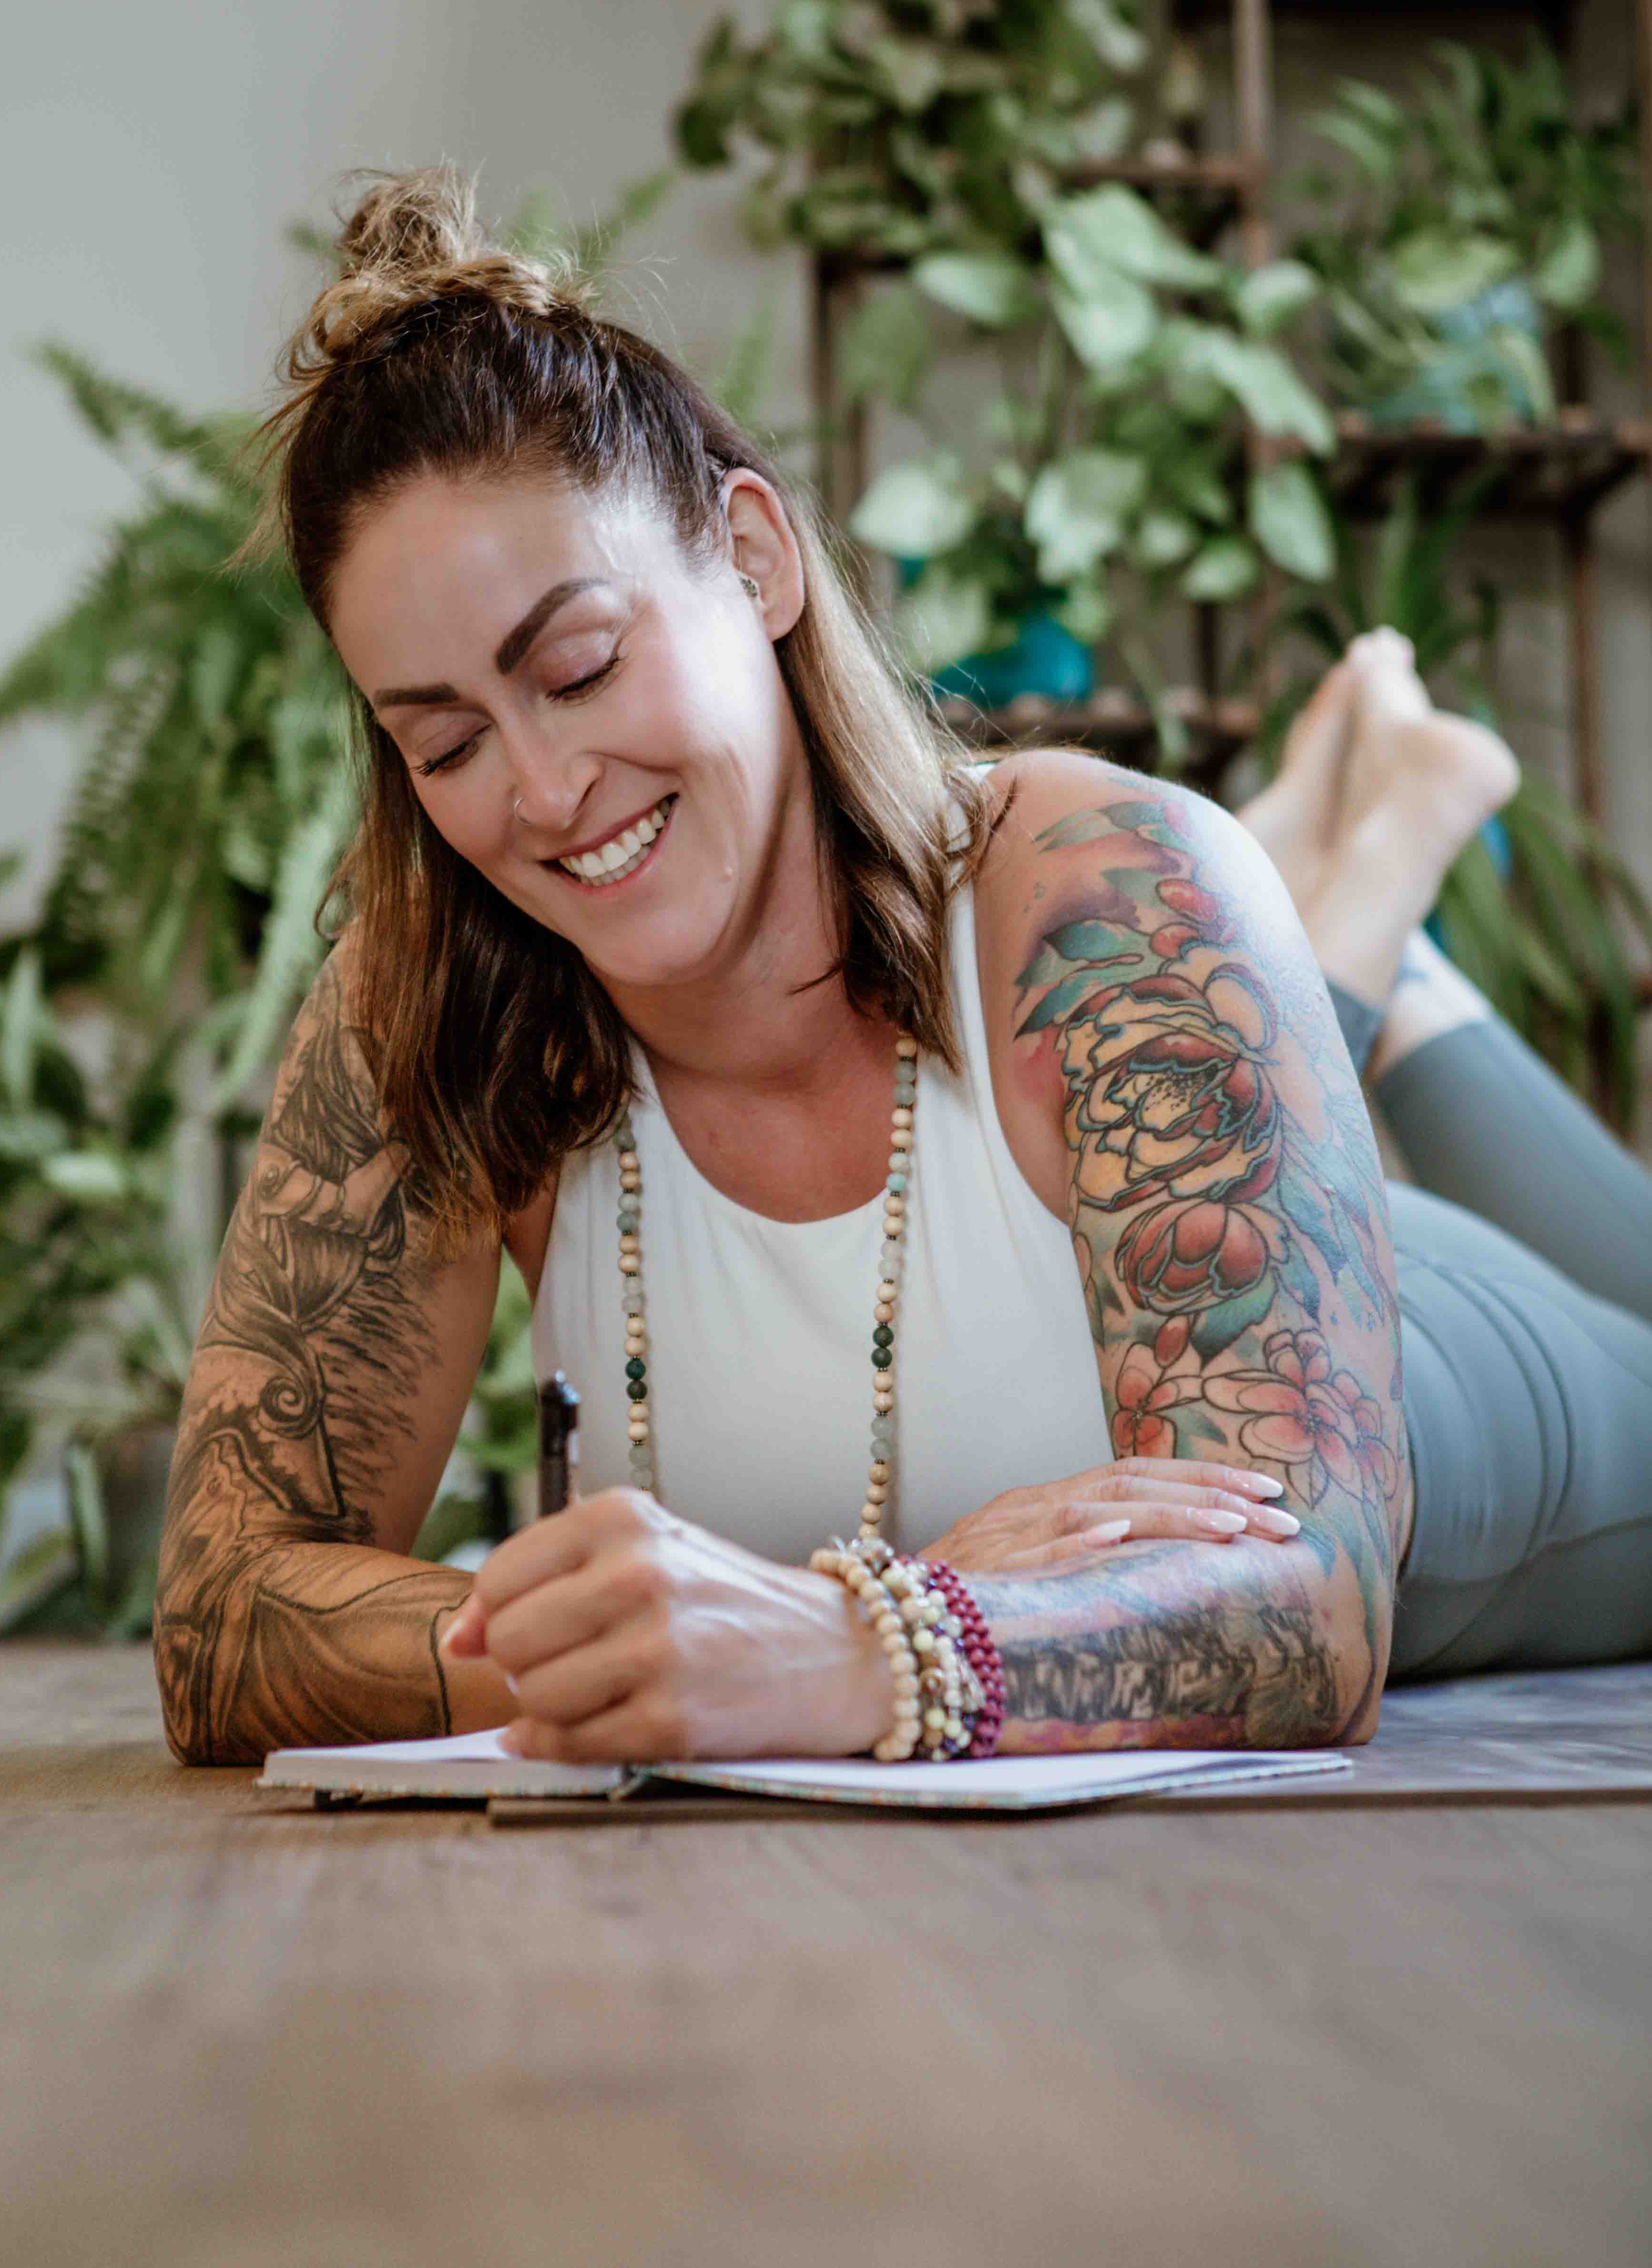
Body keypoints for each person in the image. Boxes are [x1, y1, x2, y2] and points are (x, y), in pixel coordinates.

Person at [152, 170, 1652, 1770]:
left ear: (752, 560)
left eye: (580, 667)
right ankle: (1367, 934)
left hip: (1471, 1386)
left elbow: (1315, 1597)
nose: (537, 791)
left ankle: (1360, 909)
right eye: (442, 740)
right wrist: (713, 1643)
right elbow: (227, 1617)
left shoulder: (1099, 883)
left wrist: (849, 1642)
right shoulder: (442, 999)